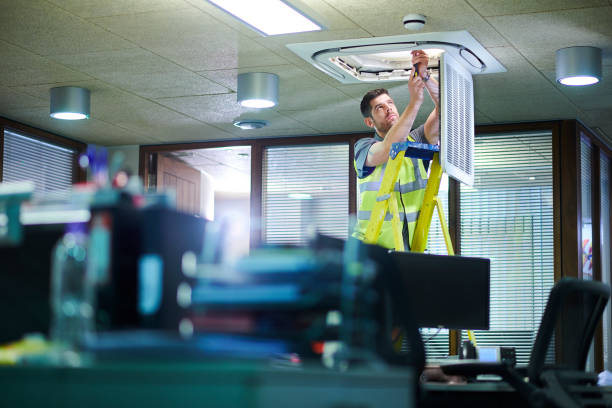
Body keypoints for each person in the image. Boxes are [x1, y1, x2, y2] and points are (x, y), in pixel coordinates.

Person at [353, 50, 440, 250]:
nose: (389, 109)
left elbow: (446, 107)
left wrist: (425, 76)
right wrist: (415, 102)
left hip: (410, 248)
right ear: (369, 122)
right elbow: (389, 149)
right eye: (380, 108)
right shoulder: (363, 148)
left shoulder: (417, 140)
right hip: (371, 249)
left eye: (390, 103)